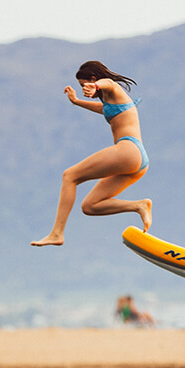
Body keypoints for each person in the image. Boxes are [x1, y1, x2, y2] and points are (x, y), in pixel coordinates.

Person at [31, 61, 152, 246]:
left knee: (70, 176)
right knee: (90, 206)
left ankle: (57, 233)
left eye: (83, 85)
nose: (83, 89)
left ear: (94, 78)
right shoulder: (110, 101)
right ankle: (139, 205)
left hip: (128, 150)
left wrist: (94, 86)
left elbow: (107, 84)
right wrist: (77, 101)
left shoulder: (112, 87)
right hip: (137, 161)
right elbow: (103, 109)